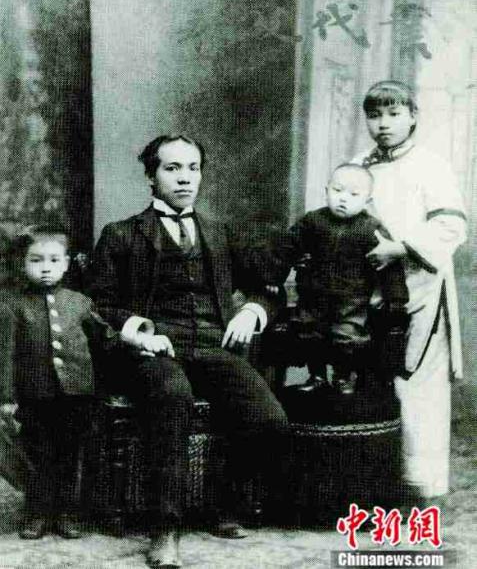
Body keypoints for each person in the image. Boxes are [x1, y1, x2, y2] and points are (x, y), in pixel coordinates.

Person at [89, 134, 287, 569]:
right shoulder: (122, 234)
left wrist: (251, 312)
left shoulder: (219, 233)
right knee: (173, 397)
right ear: (151, 176)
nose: (185, 179)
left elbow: (269, 289)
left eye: (193, 168)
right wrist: (140, 331)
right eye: (172, 168)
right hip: (154, 352)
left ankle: (219, 502)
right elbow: (99, 304)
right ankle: (165, 528)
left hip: (213, 347)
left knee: (269, 419)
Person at [352, 80, 467, 499]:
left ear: (413, 116)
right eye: (375, 115)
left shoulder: (431, 166)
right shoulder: (358, 165)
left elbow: (451, 225)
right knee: (370, 375)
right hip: (369, 287)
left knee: (416, 381)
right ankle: (375, 478)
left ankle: (418, 481)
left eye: (394, 114)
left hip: (421, 288)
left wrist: (400, 248)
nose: (383, 124)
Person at [0, 224, 113, 540]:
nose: (45, 268)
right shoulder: (12, 305)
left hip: (76, 394)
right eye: (36, 260)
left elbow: (104, 337)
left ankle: (66, 513)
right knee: (38, 455)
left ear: (66, 263)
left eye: (53, 260)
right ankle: (38, 512)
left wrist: (138, 339)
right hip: (35, 395)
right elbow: (5, 355)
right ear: (23, 264)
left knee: (70, 454)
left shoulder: (79, 302)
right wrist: (6, 398)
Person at [272, 163, 409, 395]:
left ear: (367, 200)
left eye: (354, 194)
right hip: (313, 295)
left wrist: (396, 298)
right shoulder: (313, 221)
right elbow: (288, 247)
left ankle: (343, 375)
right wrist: (274, 276)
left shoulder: (371, 228)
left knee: (347, 337)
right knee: (309, 333)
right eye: (337, 190)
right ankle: (317, 376)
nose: (343, 198)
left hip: (352, 299)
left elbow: (390, 267)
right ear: (326, 191)